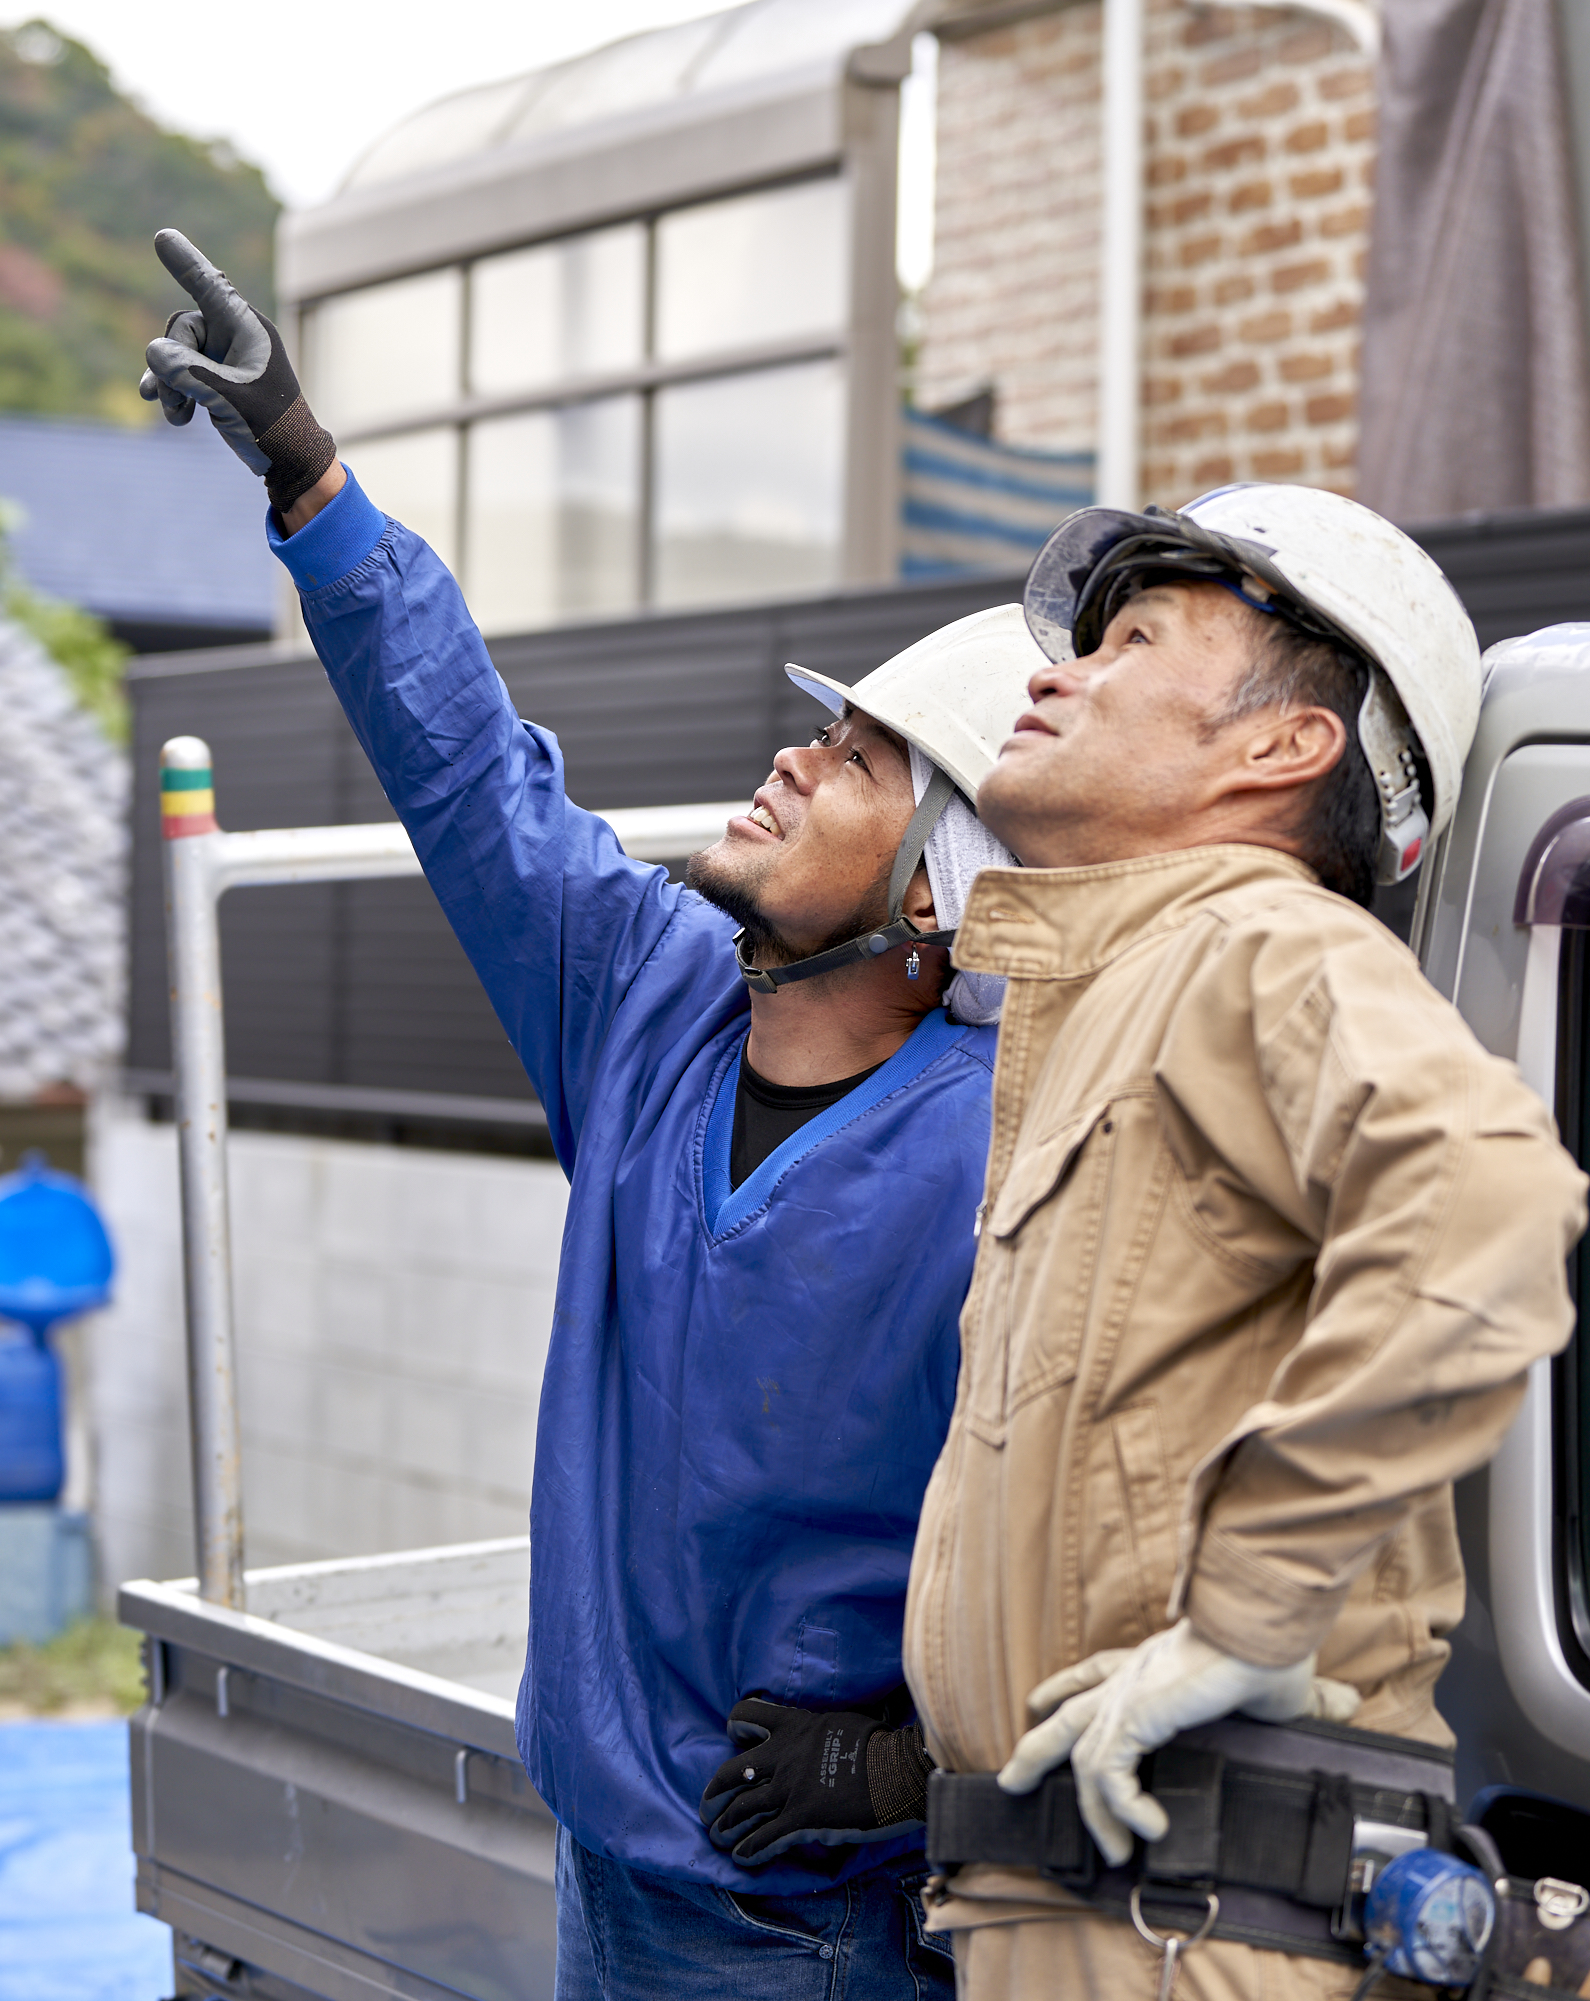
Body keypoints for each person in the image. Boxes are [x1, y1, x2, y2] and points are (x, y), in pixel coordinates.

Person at [136, 228, 1036, 2000]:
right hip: (607, 1880)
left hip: (824, 1926)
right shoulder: (651, 997)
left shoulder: (998, 1157)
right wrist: (312, 473)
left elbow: (1102, 1562)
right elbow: (472, 770)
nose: (789, 757)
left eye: (853, 762)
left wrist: (916, 1770)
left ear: (938, 900)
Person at [900, 486, 1590, 1996]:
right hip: (1101, 1910)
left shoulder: (1255, 942)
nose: (1052, 672)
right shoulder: (1126, 988)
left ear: (1283, 746)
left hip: (1194, 1927)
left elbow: (1485, 1199)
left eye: (1131, 640)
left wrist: (1247, 1611)